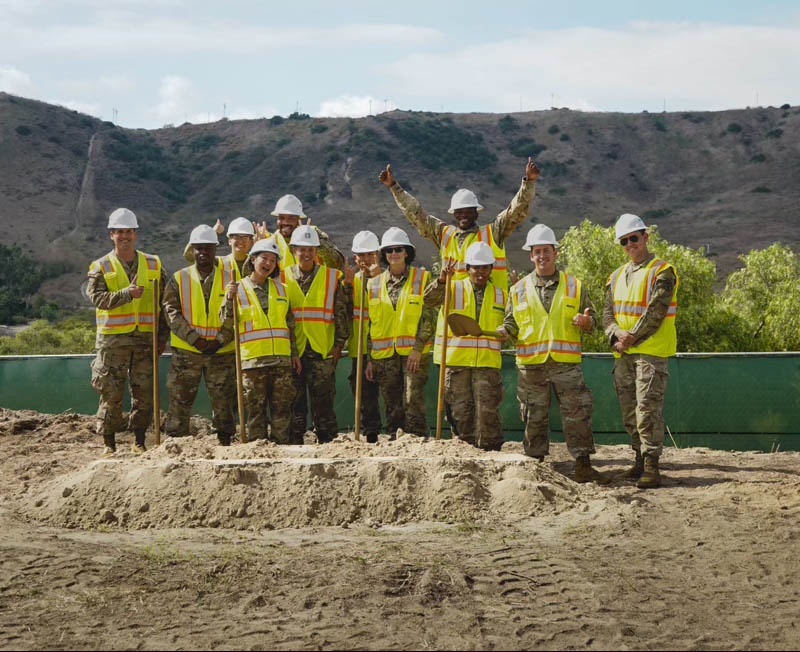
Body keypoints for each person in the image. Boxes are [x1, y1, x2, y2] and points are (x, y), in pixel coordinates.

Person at [499, 224, 607, 483]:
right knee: (533, 415)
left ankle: (582, 464)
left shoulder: (575, 286)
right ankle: (534, 465)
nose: (541, 256)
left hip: (566, 365)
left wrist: (586, 322)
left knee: (577, 413)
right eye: (537, 251)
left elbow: (593, 322)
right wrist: (502, 331)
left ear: (555, 252)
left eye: (546, 250)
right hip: (531, 366)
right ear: (531, 255)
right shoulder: (518, 290)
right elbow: (511, 323)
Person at [378, 157, 540, 291]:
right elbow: (416, 214)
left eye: (469, 211)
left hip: (489, 314)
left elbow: (515, 212)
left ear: (477, 212)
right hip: (454, 316)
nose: (464, 215)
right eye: (460, 212)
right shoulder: (444, 235)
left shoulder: (493, 233)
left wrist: (529, 184)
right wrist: (394, 187)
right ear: (454, 214)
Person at [603, 214, 678, 489]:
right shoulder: (615, 276)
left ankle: (651, 466)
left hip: (651, 352)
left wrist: (629, 338)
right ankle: (638, 459)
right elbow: (607, 313)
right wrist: (615, 334)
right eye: (624, 241)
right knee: (629, 411)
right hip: (624, 354)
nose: (630, 244)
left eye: (634, 238)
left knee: (647, 409)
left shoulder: (663, 271)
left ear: (646, 237)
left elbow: (656, 312)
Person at [87, 208, 168, 456]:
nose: (125, 236)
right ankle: (109, 444)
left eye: (129, 232)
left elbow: (166, 302)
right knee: (111, 393)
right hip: (113, 342)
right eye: (120, 232)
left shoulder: (153, 263)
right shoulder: (100, 266)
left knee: (143, 393)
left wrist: (162, 337)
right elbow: (96, 298)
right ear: (111, 235)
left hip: (145, 340)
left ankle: (139, 441)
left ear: (136, 234)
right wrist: (125, 295)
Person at [424, 242, 506, 450]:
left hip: (487, 366)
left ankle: (490, 455)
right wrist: (441, 280)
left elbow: (512, 323)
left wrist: (508, 331)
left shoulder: (501, 295)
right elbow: (428, 300)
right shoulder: (452, 286)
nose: (480, 272)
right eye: (476, 267)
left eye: (485, 267)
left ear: (491, 269)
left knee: (488, 414)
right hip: (456, 363)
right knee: (460, 414)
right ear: (468, 268)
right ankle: (463, 453)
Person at [162, 225, 237, 446]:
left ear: (215, 249)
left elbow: (237, 314)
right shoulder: (178, 279)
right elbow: (171, 313)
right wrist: (196, 340)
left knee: (224, 403)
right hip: (188, 352)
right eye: (199, 249)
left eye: (208, 248)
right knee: (180, 400)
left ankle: (225, 443)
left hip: (221, 353)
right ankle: (176, 445)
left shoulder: (230, 279)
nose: (203, 253)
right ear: (192, 250)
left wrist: (220, 340)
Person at [223, 237, 301, 443]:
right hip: (253, 362)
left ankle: (281, 449)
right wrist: (228, 300)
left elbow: (290, 325)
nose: (268, 264)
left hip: (281, 361)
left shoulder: (282, 290)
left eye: (273, 261)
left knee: (282, 410)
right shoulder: (237, 289)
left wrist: (294, 354)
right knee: (255, 412)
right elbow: (226, 324)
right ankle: (257, 450)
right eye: (264, 258)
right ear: (253, 260)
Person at [365, 227, 436, 437]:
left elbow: (428, 317)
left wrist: (418, 348)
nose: (393, 254)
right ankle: (395, 445)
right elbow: (372, 325)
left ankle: (417, 442)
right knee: (392, 404)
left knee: (412, 401)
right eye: (389, 250)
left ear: (407, 252)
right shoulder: (373, 284)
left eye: (398, 249)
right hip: (384, 357)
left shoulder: (422, 279)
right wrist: (370, 358)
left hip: (413, 355)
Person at [283, 224, 349, 443]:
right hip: (295, 350)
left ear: (317, 251)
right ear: (294, 250)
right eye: (302, 248)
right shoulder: (282, 278)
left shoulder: (332, 277)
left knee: (324, 404)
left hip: (323, 350)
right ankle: (295, 445)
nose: (306, 253)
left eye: (311, 248)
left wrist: (339, 345)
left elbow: (340, 313)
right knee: (295, 403)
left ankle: (328, 444)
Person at [344, 231, 383, 442]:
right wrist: (347, 286)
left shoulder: (385, 279)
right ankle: (371, 434)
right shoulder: (353, 281)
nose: (365, 259)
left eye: (369, 254)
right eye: (361, 255)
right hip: (358, 347)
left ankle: (397, 433)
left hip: (382, 346)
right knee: (362, 392)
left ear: (377, 255)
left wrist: (377, 280)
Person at [259, 194, 344, 271]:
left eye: (291, 218)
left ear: (298, 219)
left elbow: (337, 264)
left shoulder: (314, 234)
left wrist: (315, 241)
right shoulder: (272, 241)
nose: (285, 222)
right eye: (281, 218)